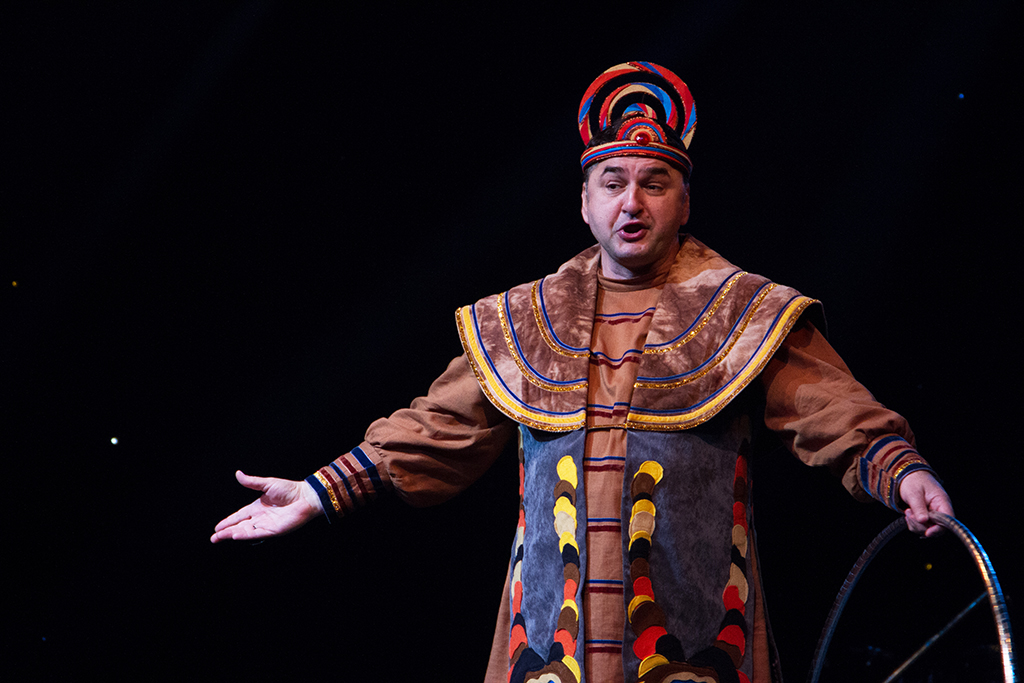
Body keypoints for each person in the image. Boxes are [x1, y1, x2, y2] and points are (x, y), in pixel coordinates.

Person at [211, 62, 952, 683]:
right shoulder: (526, 321)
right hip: (551, 649)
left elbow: (831, 409)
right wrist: (320, 490)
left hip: (690, 645)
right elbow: (436, 425)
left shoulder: (742, 311)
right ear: (586, 204)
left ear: (683, 201)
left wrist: (901, 470)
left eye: (655, 183)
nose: (633, 201)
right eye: (613, 182)